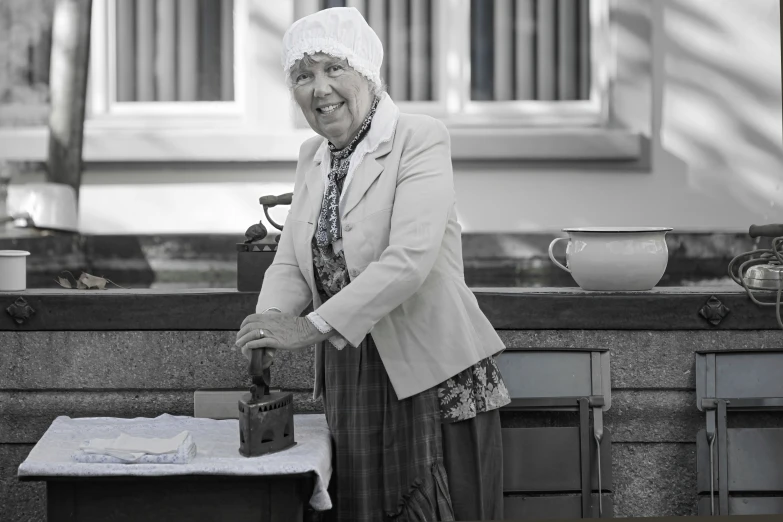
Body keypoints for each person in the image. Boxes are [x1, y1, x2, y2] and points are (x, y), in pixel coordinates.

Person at [235, 7, 510, 522]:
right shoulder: (311, 156)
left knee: (433, 507)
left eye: (333, 69)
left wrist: (307, 327)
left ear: (366, 71)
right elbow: (293, 261)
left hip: (430, 370)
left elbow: (409, 260)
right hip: (350, 370)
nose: (319, 89)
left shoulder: (420, 138)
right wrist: (271, 325)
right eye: (303, 75)